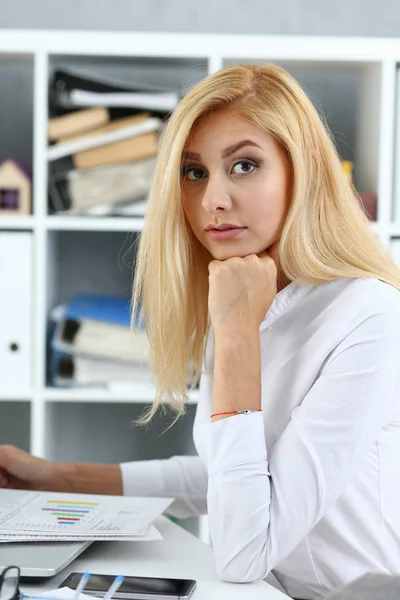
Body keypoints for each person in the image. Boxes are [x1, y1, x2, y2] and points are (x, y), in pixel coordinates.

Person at [1, 64, 400, 600]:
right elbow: (231, 475)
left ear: (301, 174)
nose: (213, 199)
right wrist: (60, 478)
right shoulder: (246, 291)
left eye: (244, 165)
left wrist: (237, 335)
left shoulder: (369, 317)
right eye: (194, 172)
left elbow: (244, 553)